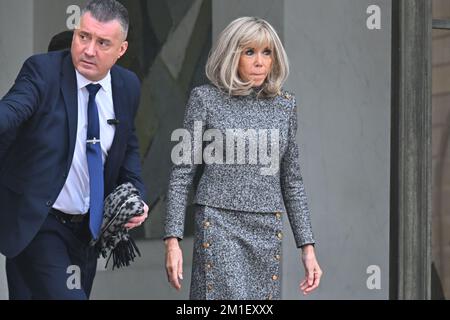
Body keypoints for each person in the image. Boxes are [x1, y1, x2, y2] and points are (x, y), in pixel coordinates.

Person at [164, 17, 322, 300]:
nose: (259, 61)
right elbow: (182, 173)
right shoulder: (205, 99)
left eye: (266, 52)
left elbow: (292, 181)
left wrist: (307, 248)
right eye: (249, 52)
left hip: (266, 227)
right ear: (231, 55)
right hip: (218, 221)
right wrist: (172, 240)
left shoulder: (285, 106)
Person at [0, 0, 148, 300]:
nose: (89, 49)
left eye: (103, 42)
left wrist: (136, 195)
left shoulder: (127, 86)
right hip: (40, 223)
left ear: (121, 49)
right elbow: (10, 112)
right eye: (83, 36)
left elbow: (128, 146)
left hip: (85, 234)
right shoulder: (43, 71)